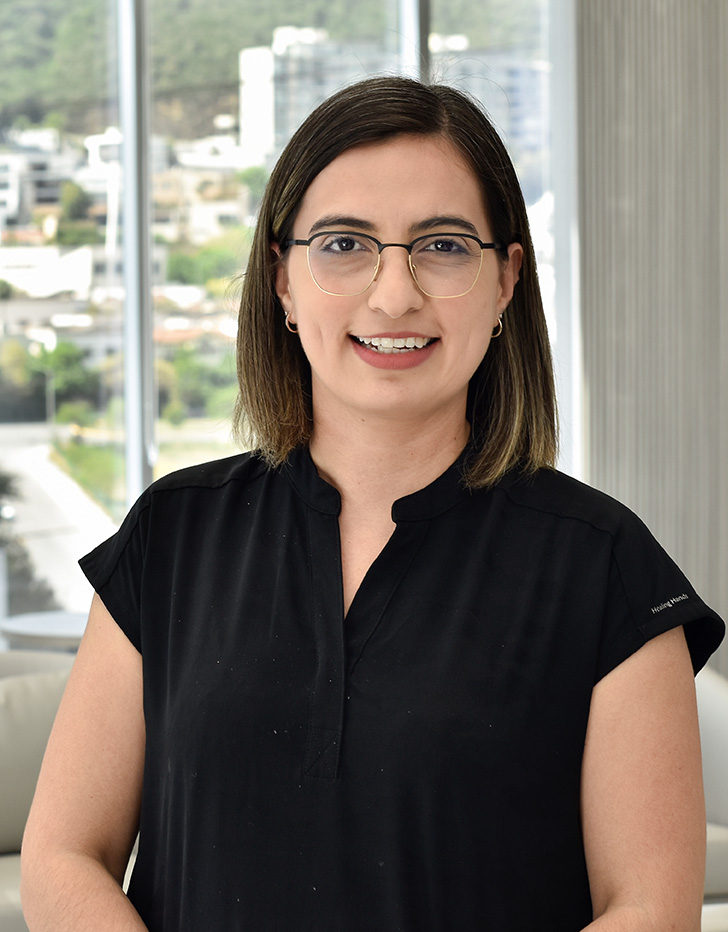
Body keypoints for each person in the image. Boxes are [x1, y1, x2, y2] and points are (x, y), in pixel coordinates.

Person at [21, 76, 724, 932]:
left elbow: (650, 910)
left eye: (444, 245)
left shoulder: (606, 565)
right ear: (282, 280)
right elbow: (62, 858)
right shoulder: (172, 533)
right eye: (346, 244)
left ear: (506, 281)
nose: (395, 296)